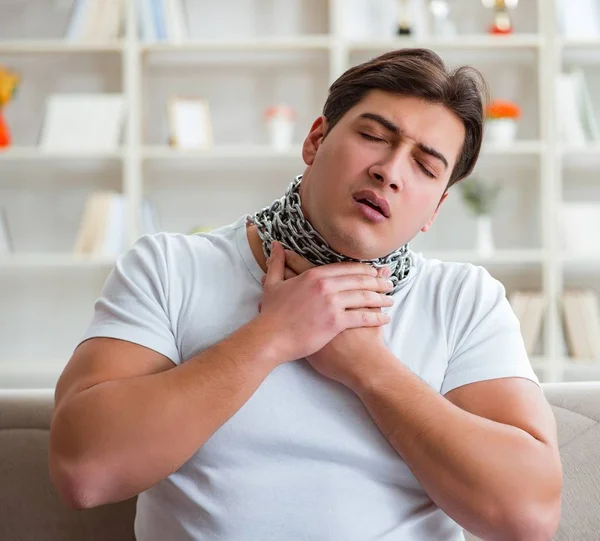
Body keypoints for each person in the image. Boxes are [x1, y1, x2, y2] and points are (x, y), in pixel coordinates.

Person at [49, 48, 562, 541]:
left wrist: (368, 368)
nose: (391, 171)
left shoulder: (465, 300)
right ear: (316, 140)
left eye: (426, 167)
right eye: (374, 136)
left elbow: (529, 517)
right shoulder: (169, 267)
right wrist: (273, 336)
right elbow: (84, 472)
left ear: (435, 209)